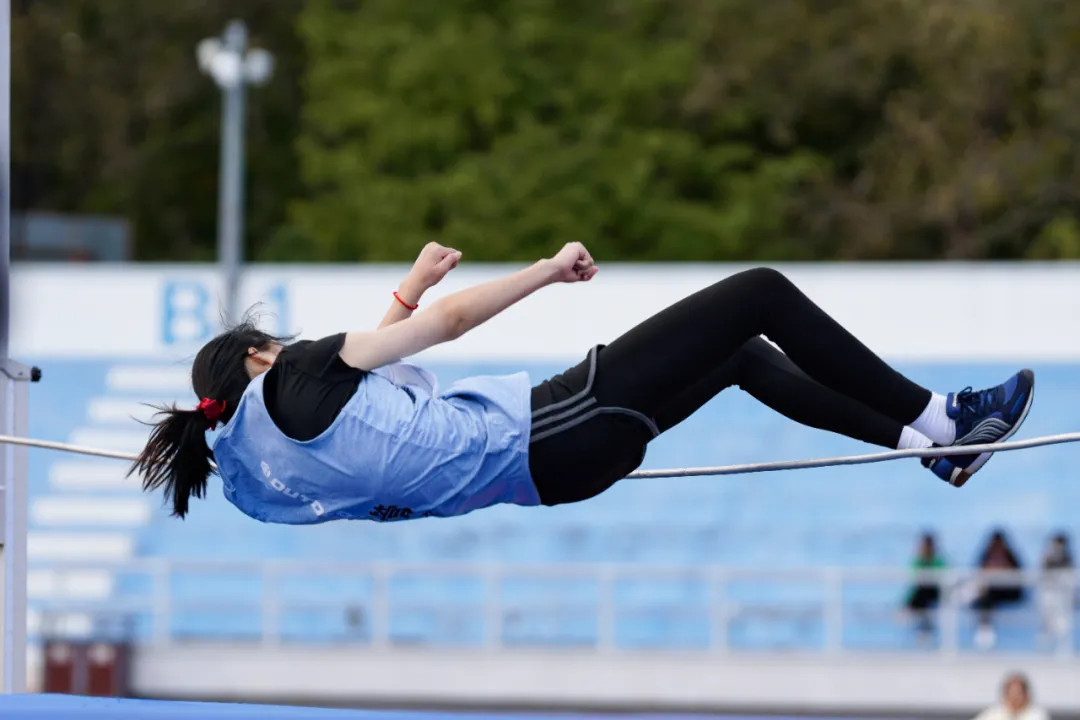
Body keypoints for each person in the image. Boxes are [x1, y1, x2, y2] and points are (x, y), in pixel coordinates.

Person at [130, 242, 1036, 524]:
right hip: (558, 421)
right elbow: (436, 334)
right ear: (258, 356)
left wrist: (407, 287)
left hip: (552, 475)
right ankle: (942, 413)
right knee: (757, 292)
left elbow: (378, 388)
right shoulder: (292, 369)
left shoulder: (259, 479)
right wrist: (543, 271)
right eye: (274, 342)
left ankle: (930, 452)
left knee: (741, 360)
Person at [971, 529, 1025, 650]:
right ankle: (984, 628)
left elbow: (1019, 578)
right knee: (983, 597)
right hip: (991, 593)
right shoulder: (986, 556)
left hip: (1009, 592)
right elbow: (979, 574)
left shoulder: (1011, 557)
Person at [904, 532, 946, 641]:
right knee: (921, 591)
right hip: (921, 595)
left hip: (935, 594)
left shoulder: (939, 562)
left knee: (924, 591)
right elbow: (913, 585)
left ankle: (924, 628)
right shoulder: (917, 563)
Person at [1037, 532, 1074, 652]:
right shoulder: (1047, 557)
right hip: (1049, 594)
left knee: (1062, 622)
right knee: (1047, 621)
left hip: (1062, 596)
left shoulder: (1067, 558)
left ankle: (1062, 647)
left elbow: (1069, 577)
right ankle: (1045, 648)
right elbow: (1043, 574)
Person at [972, 672, 1049, 720]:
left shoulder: (1036, 714)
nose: (1014, 697)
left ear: (1026, 694)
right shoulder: (994, 713)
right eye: (1011, 693)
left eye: (1018, 693)